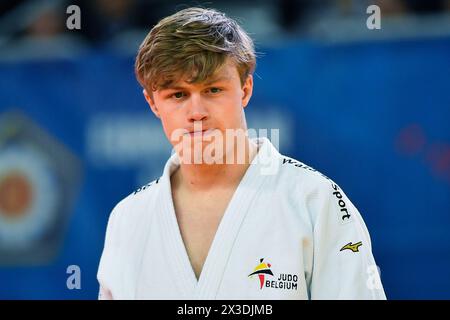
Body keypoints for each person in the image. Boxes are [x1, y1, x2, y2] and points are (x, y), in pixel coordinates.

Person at [97, 7, 386, 300]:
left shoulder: (315, 201)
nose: (197, 113)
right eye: (178, 95)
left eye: (212, 90)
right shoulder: (128, 219)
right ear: (153, 103)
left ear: (245, 89)